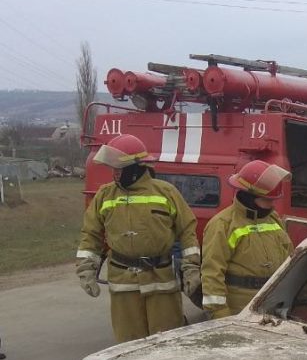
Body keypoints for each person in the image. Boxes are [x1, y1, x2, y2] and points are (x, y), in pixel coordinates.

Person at [76, 134, 200, 343]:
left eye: (118, 168)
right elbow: (91, 235)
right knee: (128, 344)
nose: (114, 173)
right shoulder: (105, 195)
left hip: (161, 280)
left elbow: (187, 232)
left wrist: (190, 269)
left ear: (135, 167)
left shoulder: (166, 192)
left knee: (167, 342)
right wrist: (86, 268)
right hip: (123, 282)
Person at [201, 160, 293, 319]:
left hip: (273, 303)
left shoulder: (273, 219)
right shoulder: (223, 224)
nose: (272, 205)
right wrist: (220, 315)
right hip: (240, 308)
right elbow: (212, 274)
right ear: (249, 196)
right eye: (268, 200)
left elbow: (290, 259)